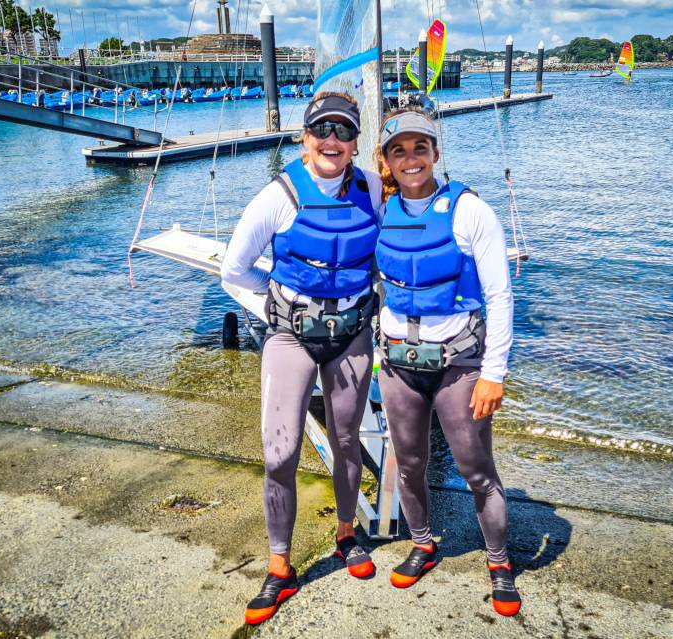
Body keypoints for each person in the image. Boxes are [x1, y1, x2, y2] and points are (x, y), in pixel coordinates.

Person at [221, 92, 383, 625]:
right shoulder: (280, 194)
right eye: (322, 130)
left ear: (357, 140)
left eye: (343, 131)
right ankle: (280, 565)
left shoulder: (373, 189)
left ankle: (345, 534)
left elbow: (393, 249)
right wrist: (277, 295)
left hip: (352, 336)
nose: (332, 141)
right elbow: (234, 268)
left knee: (345, 441)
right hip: (291, 337)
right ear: (304, 136)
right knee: (279, 454)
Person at [373, 109, 520, 616]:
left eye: (420, 148)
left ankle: (499, 562)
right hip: (397, 364)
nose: (410, 159)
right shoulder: (381, 208)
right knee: (409, 465)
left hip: (460, 365)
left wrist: (494, 373)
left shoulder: (469, 211)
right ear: (387, 161)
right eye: (399, 150)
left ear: (436, 153)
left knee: (477, 469)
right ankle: (424, 541)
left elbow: (500, 295)